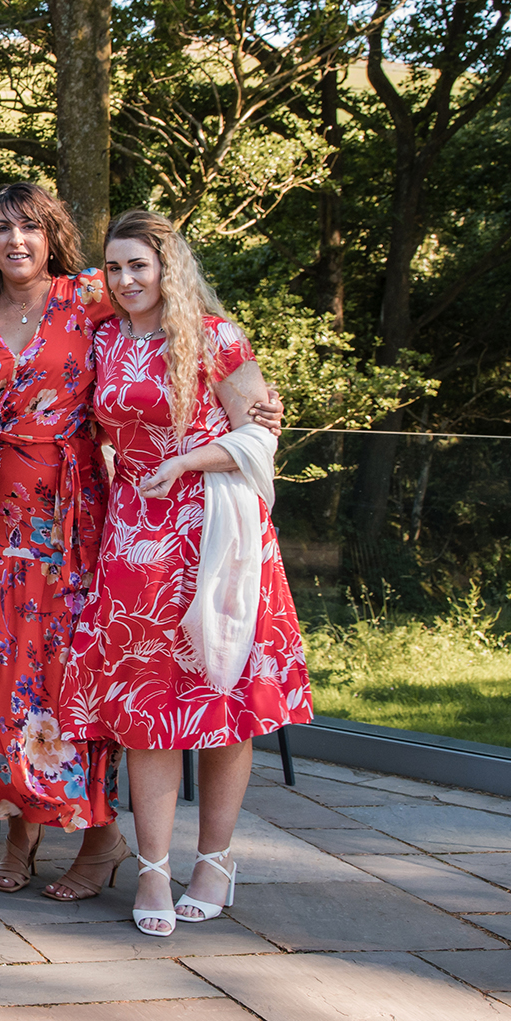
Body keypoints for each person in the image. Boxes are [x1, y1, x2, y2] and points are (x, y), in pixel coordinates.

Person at [60, 210, 312, 938]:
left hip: (215, 533)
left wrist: (185, 461)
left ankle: (216, 860)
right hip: (134, 535)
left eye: (141, 265)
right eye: (115, 268)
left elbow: (260, 431)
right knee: (146, 710)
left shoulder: (216, 336)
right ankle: (152, 869)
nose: (127, 279)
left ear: (170, 269)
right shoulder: (104, 337)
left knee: (223, 698)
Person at [0, 184, 127, 898]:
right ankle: (21, 828)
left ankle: (99, 837)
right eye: (1, 227)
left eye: (29, 227)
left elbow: (174, 314)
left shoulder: (89, 296)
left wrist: (241, 387)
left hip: (68, 515)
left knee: (64, 676)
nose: (14, 239)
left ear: (52, 235)